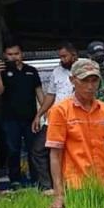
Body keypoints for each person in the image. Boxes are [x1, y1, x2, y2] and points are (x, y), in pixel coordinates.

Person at [46, 60, 104, 208]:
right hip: (77, 186)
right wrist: (58, 194)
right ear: (72, 80)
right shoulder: (60, 111)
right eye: (85, 80)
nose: (90, 86)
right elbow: (55, 155)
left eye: (94, 80)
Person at [0, 43, 44, 189]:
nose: (13, 57)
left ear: (22, 54)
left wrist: (44, 113)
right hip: (10, 119)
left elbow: (39, 93)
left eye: (16, 53)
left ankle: (36, 179)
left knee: (33, 149)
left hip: (31, 118)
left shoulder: (31, 71)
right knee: (13, 149)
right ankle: (15, 180)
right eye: (10, 54)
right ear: (5, 55)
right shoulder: (2, 71)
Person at [31, 42, 77, 190]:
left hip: (75, 119)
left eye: (64, 56)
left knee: (68, 153)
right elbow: (51, 95)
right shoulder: (57, 71)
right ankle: (48, 187)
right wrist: (39, 115)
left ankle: (70, 187)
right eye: (60, 57)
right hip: (54, 119)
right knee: (38, 150)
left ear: (73, 55)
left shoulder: (83, 69)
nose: (62, 60)